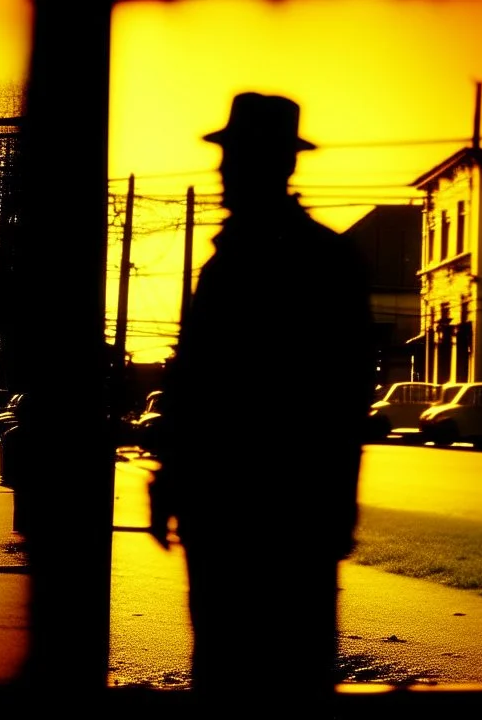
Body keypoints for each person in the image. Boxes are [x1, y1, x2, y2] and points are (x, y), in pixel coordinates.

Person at [149, 93, 375, 706]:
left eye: (235, 157)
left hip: (274, 514)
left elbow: (339, 398)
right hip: (245, 513)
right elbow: (197, 386)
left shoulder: (305, 261)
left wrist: (330, 511)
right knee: (241, 669)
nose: (222, 172)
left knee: (267, 673)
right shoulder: (296, 257)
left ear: (274, 165)